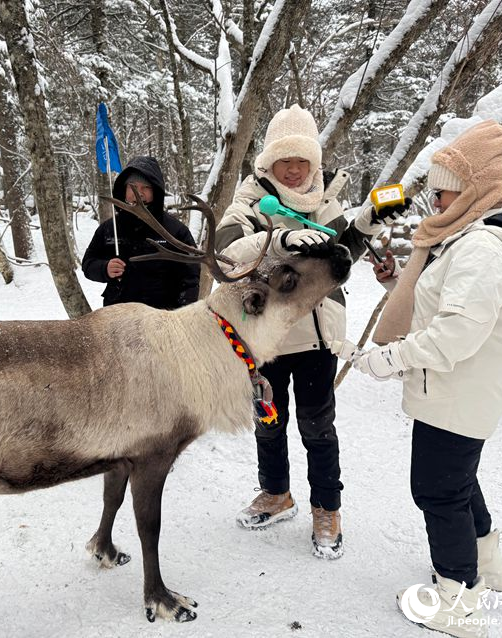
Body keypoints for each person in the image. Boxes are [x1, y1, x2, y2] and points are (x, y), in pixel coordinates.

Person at [351, 120, 502, 635]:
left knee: (437, 491)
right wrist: (401, 282)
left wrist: (387, 359)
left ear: (471, 191)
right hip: (463, 391)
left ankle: (457, 597)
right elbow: (453, 305)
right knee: (456, 482)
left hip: (458, 389)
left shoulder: (480, 249)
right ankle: (487, 562)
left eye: (443, 191)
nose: (435, 201)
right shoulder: (472, 240)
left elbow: (456, 335)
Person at [215, 104, 408, 558]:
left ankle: (327, 508)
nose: (296, 170)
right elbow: (226, 250)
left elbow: (339, 258)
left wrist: (365, 225)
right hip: (265, 333)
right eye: (287, 161)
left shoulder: (326, 198)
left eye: (303, 161)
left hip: (318, 333)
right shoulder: (248, 199)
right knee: (269, 419)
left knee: (318, 426)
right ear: (270, 163)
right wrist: (276, 241)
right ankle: (277, 494)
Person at [82, 156, 200, 309]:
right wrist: (105, 268)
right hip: (118, 316)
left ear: (155, 190)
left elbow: (191, 277)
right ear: (124, 190)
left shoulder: (176, 231)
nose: (139, 193)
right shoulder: (109, 229)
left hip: (161, 318)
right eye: (133, 187)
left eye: (146, 187)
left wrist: (182, 313)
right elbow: (88, 263)